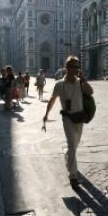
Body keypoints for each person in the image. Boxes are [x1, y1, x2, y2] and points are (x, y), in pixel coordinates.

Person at [43, 56, 94, 188]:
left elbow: (91, 92)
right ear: (67, 68)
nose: (75, 69)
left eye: (77, 67)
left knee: (74, 146)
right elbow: (52, 100)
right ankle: (73, 176)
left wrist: (83, 79)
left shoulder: (80, 82)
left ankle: (68, 159)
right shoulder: (59, 84)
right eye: (73, 67)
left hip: (80, 118)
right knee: (72, 145)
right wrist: (46, 114)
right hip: (68, 119)